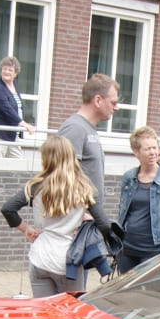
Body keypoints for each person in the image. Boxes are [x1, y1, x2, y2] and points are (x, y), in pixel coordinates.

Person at [0, 136, 96, 296]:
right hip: (69, 261)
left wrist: (26, 230)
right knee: (71, 313)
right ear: (70, 157)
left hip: (39, 258)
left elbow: (8, 209)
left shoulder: (35, 186)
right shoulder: (83, 188)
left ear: (46, 158)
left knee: (43, 312)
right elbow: (103, 222)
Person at [115, 126, 160, 274]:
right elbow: (123, 211)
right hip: (128, 248)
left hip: (153, 250)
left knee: (144, 293)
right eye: (147, 149)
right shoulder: (129, 178)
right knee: (125, 293)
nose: (152, 153)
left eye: (154, 147)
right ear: (136, 152)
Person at [56, 73, 117, 228]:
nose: (116, 107)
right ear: (98, 100)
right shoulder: (75, 128)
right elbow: (62, 176)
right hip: (76, 223)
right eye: (113, 102)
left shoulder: (88, 129)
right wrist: (80, 214)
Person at [0, 55, 34, 158]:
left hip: (12, 134)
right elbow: (7, 109)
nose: (6, 72)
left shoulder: (14, 85)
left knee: (17, 165)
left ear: (15, 73)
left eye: (10, 70)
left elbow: (18, 107)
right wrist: (23, 124)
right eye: (4, 69)